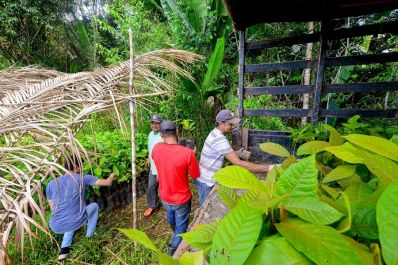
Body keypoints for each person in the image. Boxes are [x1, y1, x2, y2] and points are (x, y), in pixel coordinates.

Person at [196, 109, 274, 207]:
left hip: (204, 176)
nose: (233, 127)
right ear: (221, 123)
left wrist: (238, 152)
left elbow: (225, 147)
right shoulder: (220, 139)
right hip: (207, 181)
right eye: (230, 124)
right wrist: (268, 168)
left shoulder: (215, 132)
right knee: (204, 207)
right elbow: (238, 163)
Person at [46, 155, 115, 261]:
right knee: (94, 206)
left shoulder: (51, 184)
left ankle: (64, 249)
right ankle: (89, 235)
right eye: (81, 166)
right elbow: (107, 182)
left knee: (68, 213)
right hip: (76, 219)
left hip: (56, 225)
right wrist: (113, 174)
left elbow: (53, 208)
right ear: (77, 167)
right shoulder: (82, 178)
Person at [152, 120, 200, 256]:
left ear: (161, 135)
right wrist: (193, 156)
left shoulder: (156, 149)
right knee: (181, 228)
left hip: (165, 195)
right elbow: (195, 174)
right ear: (177, 132)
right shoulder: (187, 153)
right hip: (182, 199)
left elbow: (160, 163)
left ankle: (174, 235)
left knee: (171, 219)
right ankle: (172, 251)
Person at [144, 114, 164, 217]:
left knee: (164, 187)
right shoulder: (151, 134)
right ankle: (154, 205)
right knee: (151, 187)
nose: (155, 125)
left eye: (157, 123)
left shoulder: (163, 136)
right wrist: (149, 158)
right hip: (153, 166)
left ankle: (168, 204)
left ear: (161, 124)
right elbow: (150, 147)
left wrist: (159, 171)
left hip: (161, 168)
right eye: (153, 123)